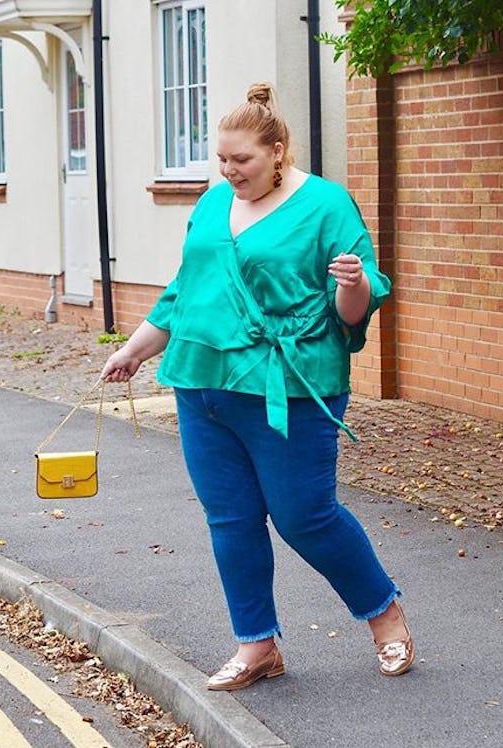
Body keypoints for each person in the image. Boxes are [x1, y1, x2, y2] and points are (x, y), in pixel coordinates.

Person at [101, 83, 414, 691]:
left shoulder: (327, 205)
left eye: (241, 160)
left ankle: (384, 615)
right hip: (200, 382)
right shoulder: (214, 204)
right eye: (222, 159)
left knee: (305, 516)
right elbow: (187, 290)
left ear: (277, 151)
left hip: (289, 388)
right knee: (231, 519)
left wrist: (350, 283)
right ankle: (257, 645)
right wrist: (136, 350)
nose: (228, 170)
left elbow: (357, 303)